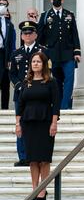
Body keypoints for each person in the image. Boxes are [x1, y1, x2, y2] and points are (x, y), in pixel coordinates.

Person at [16, 51, 60, 200]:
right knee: (33, 159)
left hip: (45, 122)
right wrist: (18, 124)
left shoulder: (51, 82)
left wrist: (54, 123)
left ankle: (43, 188)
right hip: (28, 123)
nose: (35, 64)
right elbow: (20, 105)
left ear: (44, 64)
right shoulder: (25, 82)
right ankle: (34, 188)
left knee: (44, 158)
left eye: (38, 62)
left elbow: (56, 105)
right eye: (33, 61)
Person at [10, 21, 47, 167]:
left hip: (38, 95)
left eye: (30, 32)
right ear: (21, 35)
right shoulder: (16, 53)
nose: (27, 35)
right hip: (21, 95)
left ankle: (35, 155)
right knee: (21, 125)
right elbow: (12, 74)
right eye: (25, 33)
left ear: (35, 35)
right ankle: (23, 156)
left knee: (37, 125)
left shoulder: (42, 51)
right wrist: (20, 85)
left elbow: (46, 72)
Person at [37, 0, 81, 110]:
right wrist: (42, 52)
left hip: (68, 54)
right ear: (51, 0)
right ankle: (58, 107)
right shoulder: (45, 16)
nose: (57, 0)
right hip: (52, 54)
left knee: (69, 80)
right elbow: (40, 36)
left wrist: (77, 51)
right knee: (56, 82)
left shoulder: (69, 15)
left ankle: (65, 107)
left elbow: (74, 34)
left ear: (63, 0)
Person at [0, 0, 16, 110]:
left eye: (5, 5)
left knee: (5, 83)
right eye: (0, 4)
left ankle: (4, 109)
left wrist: (11, 59)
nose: (2, 7)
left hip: (4, 55)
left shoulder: (9, 24)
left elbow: (11, 43)